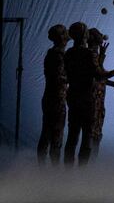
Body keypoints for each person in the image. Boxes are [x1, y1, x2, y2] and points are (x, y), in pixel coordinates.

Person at [63, 22, 114, 166]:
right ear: (85, 35)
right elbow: (99, 75)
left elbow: (77, 75)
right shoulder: (88, 54)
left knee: (72, 136)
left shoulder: (69, 53)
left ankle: (67, 172)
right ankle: (83, 172)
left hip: (73, 98)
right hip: (87, 99)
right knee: (87, 137)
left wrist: (101, 57)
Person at [87, 28, 114, 159]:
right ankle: (89, 165)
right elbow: (99, 75)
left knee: (95, 132)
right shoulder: (90, 55)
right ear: (92, 38)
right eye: (98, 34)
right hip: (93, 100)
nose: (101, 35)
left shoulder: (94, 54)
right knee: (92, 133)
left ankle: (91, 163)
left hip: (97, 100)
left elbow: (98, 77)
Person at [37, 24, 69, 165]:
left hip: (51, 97)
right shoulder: (58, 55)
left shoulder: (53, 53)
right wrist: (74, 77)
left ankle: (42, 169)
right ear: (61, 37)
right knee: (55, 135)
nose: (67, 35)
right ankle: (52, 171)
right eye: (65, 33)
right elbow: (59, 77)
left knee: (47, 133)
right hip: (56, 99)